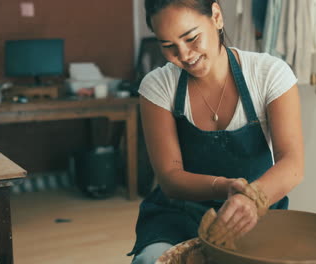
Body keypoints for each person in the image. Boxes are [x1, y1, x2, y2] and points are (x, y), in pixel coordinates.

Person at [128, 0, 304, 263]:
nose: (185, 55)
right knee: (151, 260)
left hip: (255, 212)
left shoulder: (269, 74)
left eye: (191, 38)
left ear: (217, 17)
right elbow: (170, 177)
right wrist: (225, 187)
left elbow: (292, 163)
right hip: (179, 214)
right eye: (168, 46)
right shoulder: (157, 86)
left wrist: (251, 199)